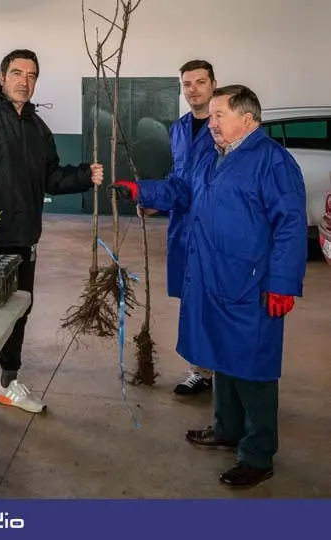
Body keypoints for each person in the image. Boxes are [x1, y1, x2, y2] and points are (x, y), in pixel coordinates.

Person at [111, 85, 307, 487]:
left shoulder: (272, 161)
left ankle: (257, 454)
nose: (211, 123)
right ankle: (226, 428)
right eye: (211, 116)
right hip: (212, 275)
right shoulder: (212, 157)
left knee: (253, 369)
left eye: (219, 115)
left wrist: (283, 283)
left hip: (252, 283)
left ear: (247, 120)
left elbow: (289, 224)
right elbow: (182, 191)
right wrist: (142, 189)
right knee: (222, 357)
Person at [0, 49, 104, 426]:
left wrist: (83, 175)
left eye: (31, 76)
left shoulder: (36, 126)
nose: (24, 82)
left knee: (18, 314)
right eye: (17, 73)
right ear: (2, 77)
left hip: (23, 239)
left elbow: (50, 177)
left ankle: (7, 384)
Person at [166, 60, 218, 396]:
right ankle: (199, 370)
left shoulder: (222, 125)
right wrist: (156, 200)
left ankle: (220, 371)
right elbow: (178, 177)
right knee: (191, 299)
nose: (193, 89)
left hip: (215, 228)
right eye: (187, 83)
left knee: (215, 297)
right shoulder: (179, 128)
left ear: (214, 84)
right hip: (184, 226)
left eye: (200, 82)